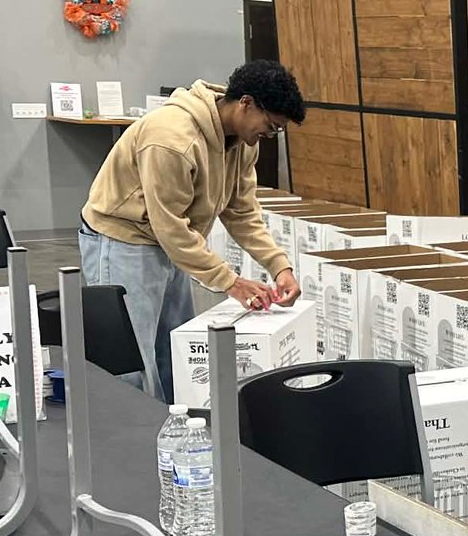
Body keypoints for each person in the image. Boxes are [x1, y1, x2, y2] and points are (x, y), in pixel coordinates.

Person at [80, 60, 306, 403]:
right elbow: (169, 225)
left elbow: (241, 211)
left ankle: (175, 434)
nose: (270, 135)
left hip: (171, 243)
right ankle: (126, 448)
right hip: (123, 239)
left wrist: (280, 266)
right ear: (246, 103)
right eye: (271, 126)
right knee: (131, 363)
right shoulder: (171, 139)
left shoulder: (244, 142)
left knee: (173, 349)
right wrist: (231, 282)